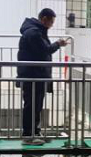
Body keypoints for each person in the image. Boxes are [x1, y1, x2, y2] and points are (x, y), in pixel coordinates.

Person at [17, 8, 69, 145]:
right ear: (44, 19)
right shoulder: (33, 33)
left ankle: (35, 132)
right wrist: (58, 44)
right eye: (51, 22)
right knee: (31, 106)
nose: (52, 25)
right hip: (32, 75)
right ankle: (28, 135)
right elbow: (44, 50)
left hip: (36, 74)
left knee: (36, 106)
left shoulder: (37, 31)